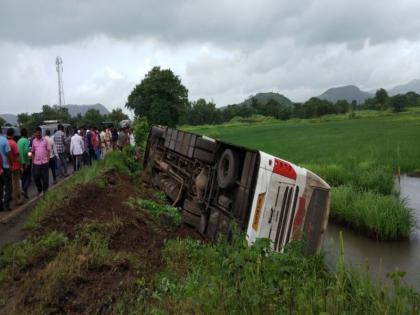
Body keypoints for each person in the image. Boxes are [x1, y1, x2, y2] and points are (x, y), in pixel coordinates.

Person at [32, 127, 50, 195]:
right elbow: (33, 152)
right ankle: (39, 189)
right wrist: (33, 161)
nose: (38, 135)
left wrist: (48, 160)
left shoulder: (45, 140)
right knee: (36, 177)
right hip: (36, 163)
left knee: (45, 178)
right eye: (37, 134)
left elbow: (48, 151)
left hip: (45, 162)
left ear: (41, 133)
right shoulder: (33, 141)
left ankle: (45, 191)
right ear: (35, 133)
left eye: (39, 133)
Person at [7, 128, 22, 207]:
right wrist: (21, 165)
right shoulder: (13, 143)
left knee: (12, 183)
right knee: (16, 183)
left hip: (8, 166)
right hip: (15, 165)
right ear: (12, 134)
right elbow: (17, 156)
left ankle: (13, 198)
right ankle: (17, 200)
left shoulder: (5, 142)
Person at [0, 128, 12, 210]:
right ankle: (6, 204)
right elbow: (8, 154)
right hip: (5, 166)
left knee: (0, 186)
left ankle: (0, 206)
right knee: (8, 186)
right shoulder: (4, 140)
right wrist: (10, 164)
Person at [18, 128, 31, 199]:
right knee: (28, 178)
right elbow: (26, 152)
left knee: (23, 178)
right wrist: (30, 155)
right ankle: (24, 189)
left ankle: (24, 192)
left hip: (20, 162)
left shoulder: (19, 141)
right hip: (25, 162)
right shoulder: (26, 140)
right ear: (26, 133)